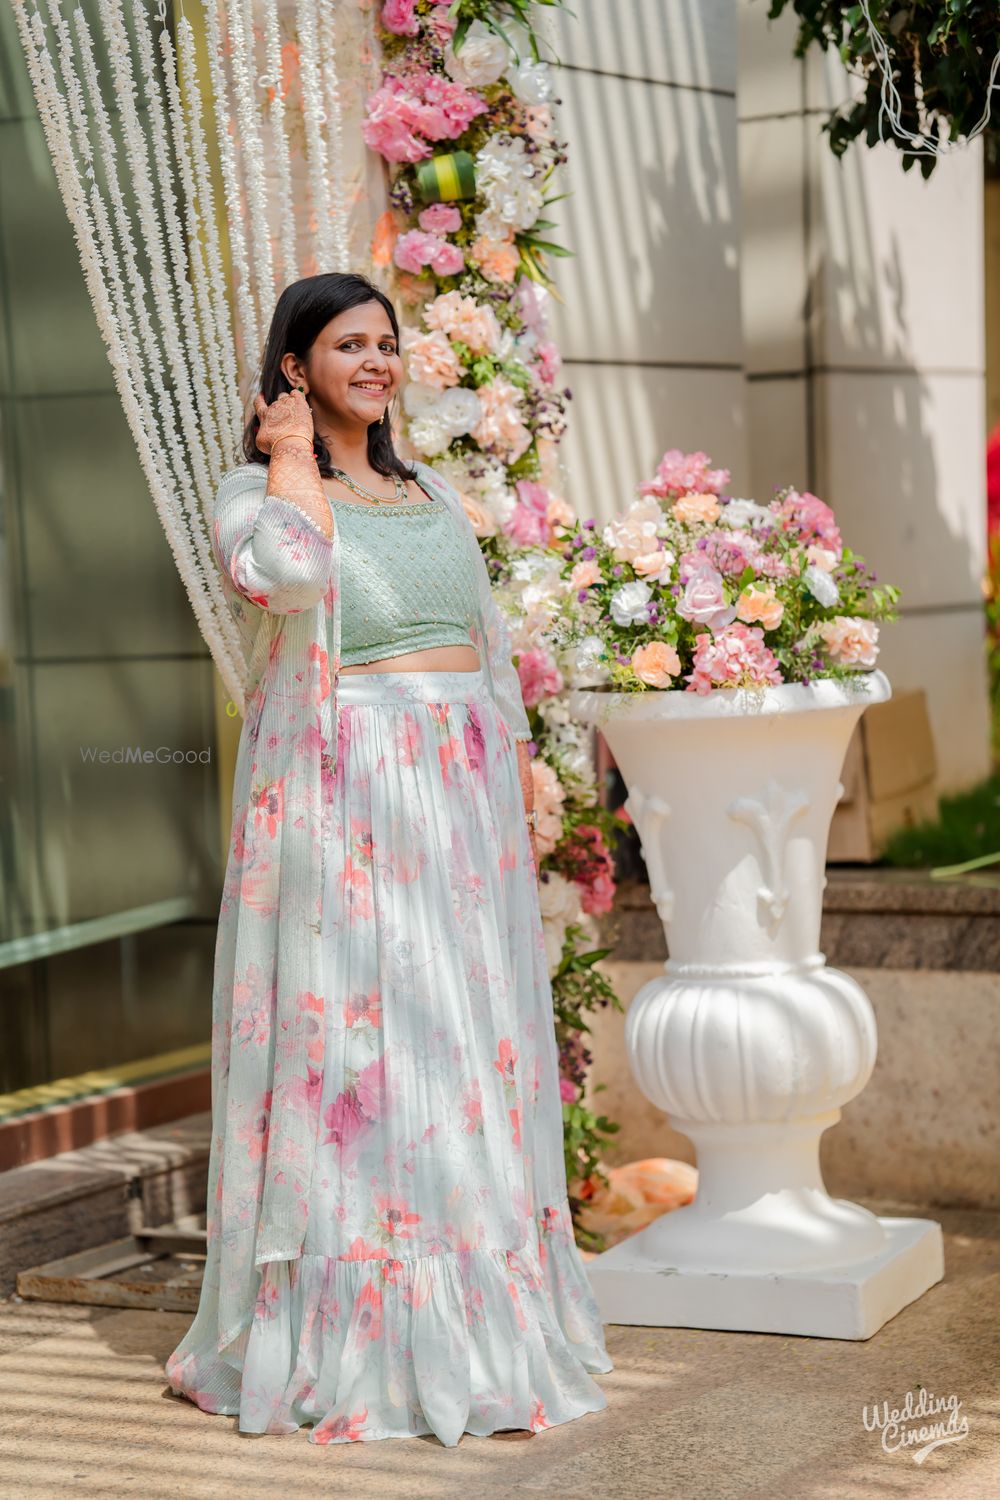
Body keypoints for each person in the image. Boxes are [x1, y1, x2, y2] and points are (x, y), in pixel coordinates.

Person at [165, 272, 613, 1447]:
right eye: (346, 345)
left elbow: (484, 637)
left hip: (453, 806)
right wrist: (288, 452)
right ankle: (352, 1334)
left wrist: (513, 767)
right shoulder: (255, 494)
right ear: (297, 366)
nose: (374, 360)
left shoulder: (431, 497)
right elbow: (293, 574)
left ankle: (476, 1329)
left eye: (386, 342)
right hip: (345, 800)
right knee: (360, 1050)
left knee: (456, 1049)